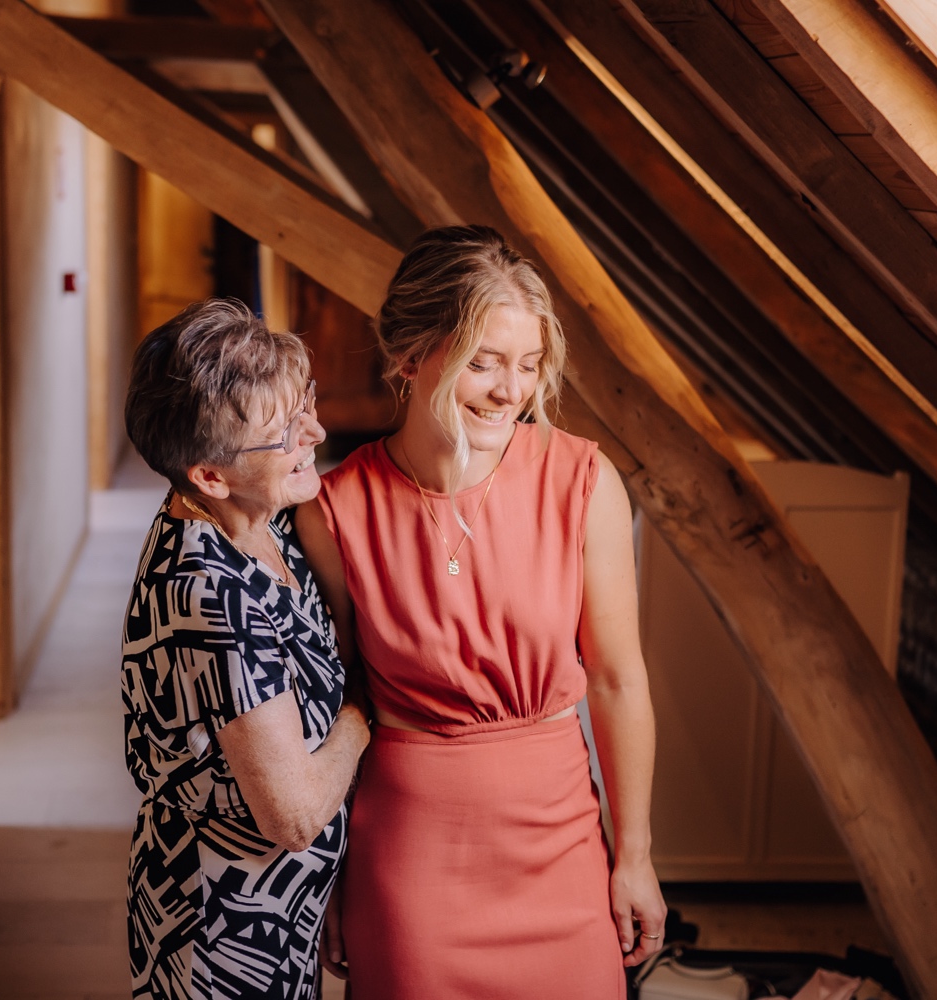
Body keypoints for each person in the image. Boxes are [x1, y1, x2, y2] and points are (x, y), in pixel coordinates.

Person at [296, 225, 666, 999]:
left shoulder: (584, 483)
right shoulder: (334, 512)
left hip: (561, 850)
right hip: (411, 864)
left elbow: (619, 684)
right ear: (411, 357)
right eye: (484, 362)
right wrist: (326, 876)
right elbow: (330, 705)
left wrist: (633, 856)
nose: (511, 390)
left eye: (528, 365)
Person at [120, 298, 369, 1000]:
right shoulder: (209, 597)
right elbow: (291, 815)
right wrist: (362, 716)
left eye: (306, 406)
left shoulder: (255, 518)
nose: (315, 432)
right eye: (287, 432)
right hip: (224, 933)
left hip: (273, 912)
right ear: (209, 474)